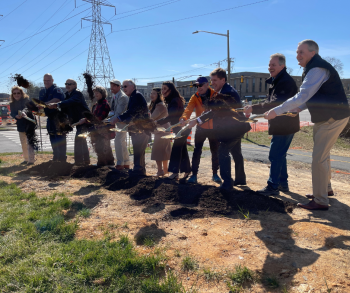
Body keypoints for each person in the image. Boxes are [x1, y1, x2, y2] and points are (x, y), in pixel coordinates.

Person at [265, 40, 350, 210]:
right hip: (329, 117)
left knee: (318, 158)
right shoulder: (312, 68)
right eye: (297, 52)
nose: (297, 56)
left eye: (301, 52)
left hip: (332, 118)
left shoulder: (317, 68)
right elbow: (311, 95)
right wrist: (298, 108)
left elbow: (303, 94)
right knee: (322, 155)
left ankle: (320, 200)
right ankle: (325, 190)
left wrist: (277, 110)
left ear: (313, 53)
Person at [244, 54, 299, 195]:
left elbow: (274, 104)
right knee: (280, 154)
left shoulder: (285, 82)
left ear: (282, 66)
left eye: (273, 65)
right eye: (269, 65)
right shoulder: (277, 81)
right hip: (282, 124)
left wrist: (253, 108)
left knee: (275, 154)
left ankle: (273, 186)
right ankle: (282, 183)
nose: (270, 67)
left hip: (285, 125)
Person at [193, 68, 251, 191]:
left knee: (223, 151)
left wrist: (197, 120)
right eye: (211, 80)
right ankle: (240, 179)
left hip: (234, 129)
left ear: (223, 80)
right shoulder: (226, 90)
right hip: (238, 127)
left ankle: (227, 182)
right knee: (236, 152)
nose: (212, 83)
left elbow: (213, 112)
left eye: (215, 80)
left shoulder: (227, 93)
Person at [179, 76, 221, 184]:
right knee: (197, 151)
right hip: (200, 128)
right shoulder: (195, 97)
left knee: (215, 152)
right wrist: (184, 118)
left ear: (207, 84)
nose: (198, 87)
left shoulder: (215, 95)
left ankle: (215, 174)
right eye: (197, 86)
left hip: (214, 128)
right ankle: (194, 175)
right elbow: (188, 109)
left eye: (200, 85)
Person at [47, 79, 91, 166]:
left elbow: (70, 102)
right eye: (66, 83)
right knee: (82, 139)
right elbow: (65, 106)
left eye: (69, 84)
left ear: (75, 85)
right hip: (77, 120)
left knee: (79, 139)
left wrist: (57, 104)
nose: (67, 85)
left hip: (84, 119)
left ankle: (79, 162)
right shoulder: (67, 94)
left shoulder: (77, 93)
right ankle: (85, 160)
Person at [113, 80, 149, 175]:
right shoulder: (133, 96)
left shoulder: (136, 95)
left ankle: (138, 170)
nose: (124, 89)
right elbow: (133, 113)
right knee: (137, 150)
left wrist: (119, 118)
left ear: (132, 86)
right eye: (123, 87)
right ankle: (139, 170)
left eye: (125, 86)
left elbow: (132, 111)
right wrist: (125, 120)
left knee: (138, 150)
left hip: (140, 129)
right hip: (138, 128)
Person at [157, 81, 191, 180]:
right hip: (180, 129)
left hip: (181, 129)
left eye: (164, 89)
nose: (162, 91)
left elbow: (171, 116)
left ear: (170, 90)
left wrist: (158, 122)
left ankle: (175, 173)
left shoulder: (175, 100)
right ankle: (187, 170)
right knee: (182, 150)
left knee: (176, 150)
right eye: (162, 89)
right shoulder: (173, 100)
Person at [81, 86, 114, 167]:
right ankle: (104, 163)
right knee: (98, 147)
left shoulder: (104, 104)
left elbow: (99, 118)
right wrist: (86, 119)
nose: (95, 94)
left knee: (104, 147)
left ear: (102, 94)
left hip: (103, 130)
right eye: (95, 92)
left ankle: (105, 164)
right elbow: (93, 116)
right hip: (95, 129)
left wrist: (88, 118)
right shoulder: (96, 104)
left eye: (97, 92)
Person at [39, 74, 66, 162]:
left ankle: (62, 158)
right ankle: (56, 156)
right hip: (50, 117)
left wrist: (44, 104)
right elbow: (40, 103)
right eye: (45, 81)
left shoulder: (56, 89)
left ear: (52, 80)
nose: (46, 82)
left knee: (59, 137)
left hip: (58, 117)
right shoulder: (42, 91)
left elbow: (57, 100)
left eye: (48, 80)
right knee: (52, 137)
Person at [9, 86, 35, 165]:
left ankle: (31, 160)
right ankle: (26, 159)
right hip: (20, 124)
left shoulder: (26, 100)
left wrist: (24, 112)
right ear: (12, 95)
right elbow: (12, 112)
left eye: (18, 93)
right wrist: (15, 116)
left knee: (30, 142)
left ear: (21, 93)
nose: (16, 95)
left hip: (29, 124)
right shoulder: (12, 103)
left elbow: (27, 108)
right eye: (14, 93)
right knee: (23, 142)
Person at [149, 88, 171, 177]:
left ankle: (160, 171)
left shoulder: (160, 105)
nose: (151, 95)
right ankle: (165, 170)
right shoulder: (157, 104)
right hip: (164, 130)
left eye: (154, 93)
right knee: (164, 150)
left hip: (161, 131)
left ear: (159, 95)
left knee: (157, 151)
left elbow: (152, 118)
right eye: (151, 93)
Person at [108, 79, 130, 170]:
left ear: (118, 87)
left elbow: (119, 113)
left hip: (122, 122)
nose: (111, 88)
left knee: (118, 141)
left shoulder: (122, 97)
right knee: (122, 142)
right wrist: (109, 118)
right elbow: (113, 111)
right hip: (119, 122)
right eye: (111, 86)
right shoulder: (116, 96)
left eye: (113, 86)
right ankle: (126, 162)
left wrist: (109, 120)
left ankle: (120, 163)